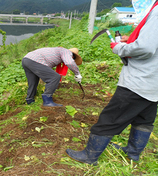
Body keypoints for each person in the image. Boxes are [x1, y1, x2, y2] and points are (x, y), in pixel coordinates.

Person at [66, 1, 158, 165]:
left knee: (109, 118)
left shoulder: (156, 12)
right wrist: (132, 41)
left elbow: (145, 48)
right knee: (144, 119)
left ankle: (90, 156)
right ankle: (132, 153)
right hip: (154, 81)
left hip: (139, 81)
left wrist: (119, 48)